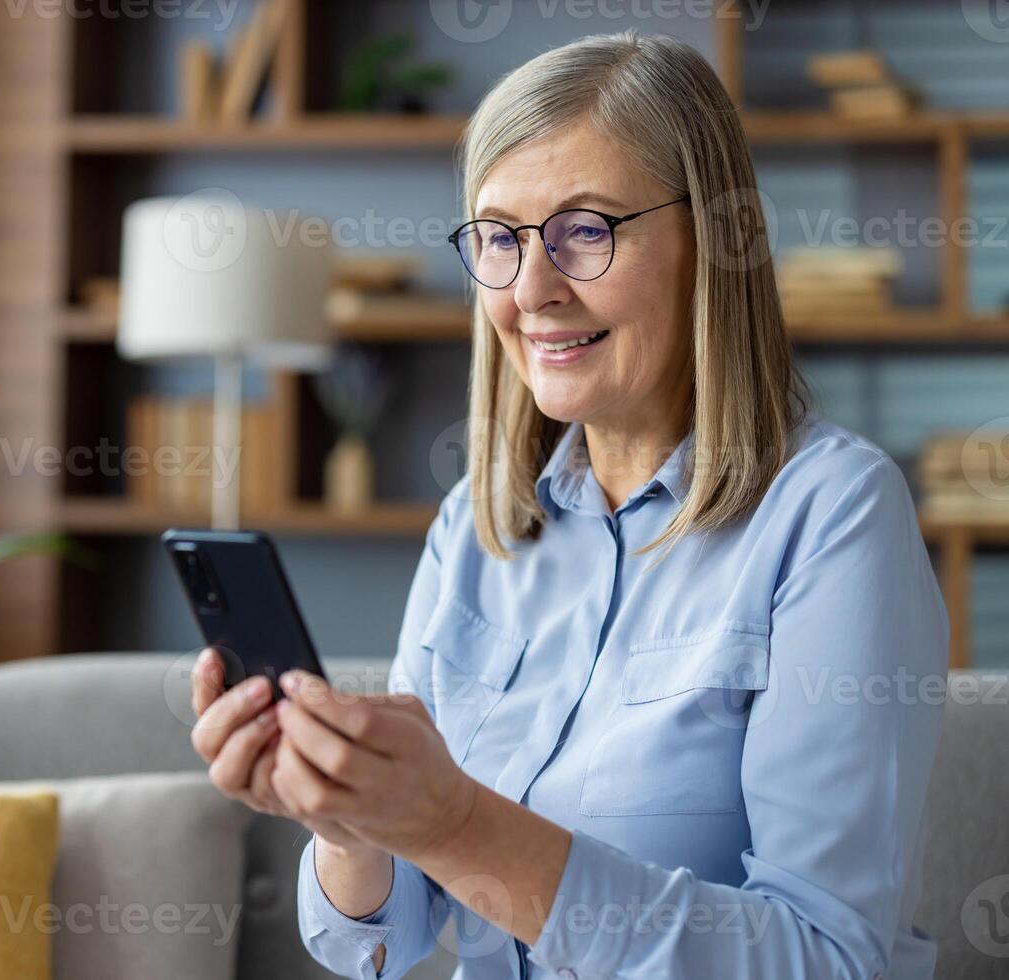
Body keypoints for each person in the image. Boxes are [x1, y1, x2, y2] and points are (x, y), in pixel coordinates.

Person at [189, 29, 946, 980]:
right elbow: (381, 936)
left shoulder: (833, 516)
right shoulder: (477, 525)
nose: (533, 289)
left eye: (585, 231)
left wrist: (456, 823)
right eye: (499, 238)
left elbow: (825, 961)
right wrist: (350, 823)